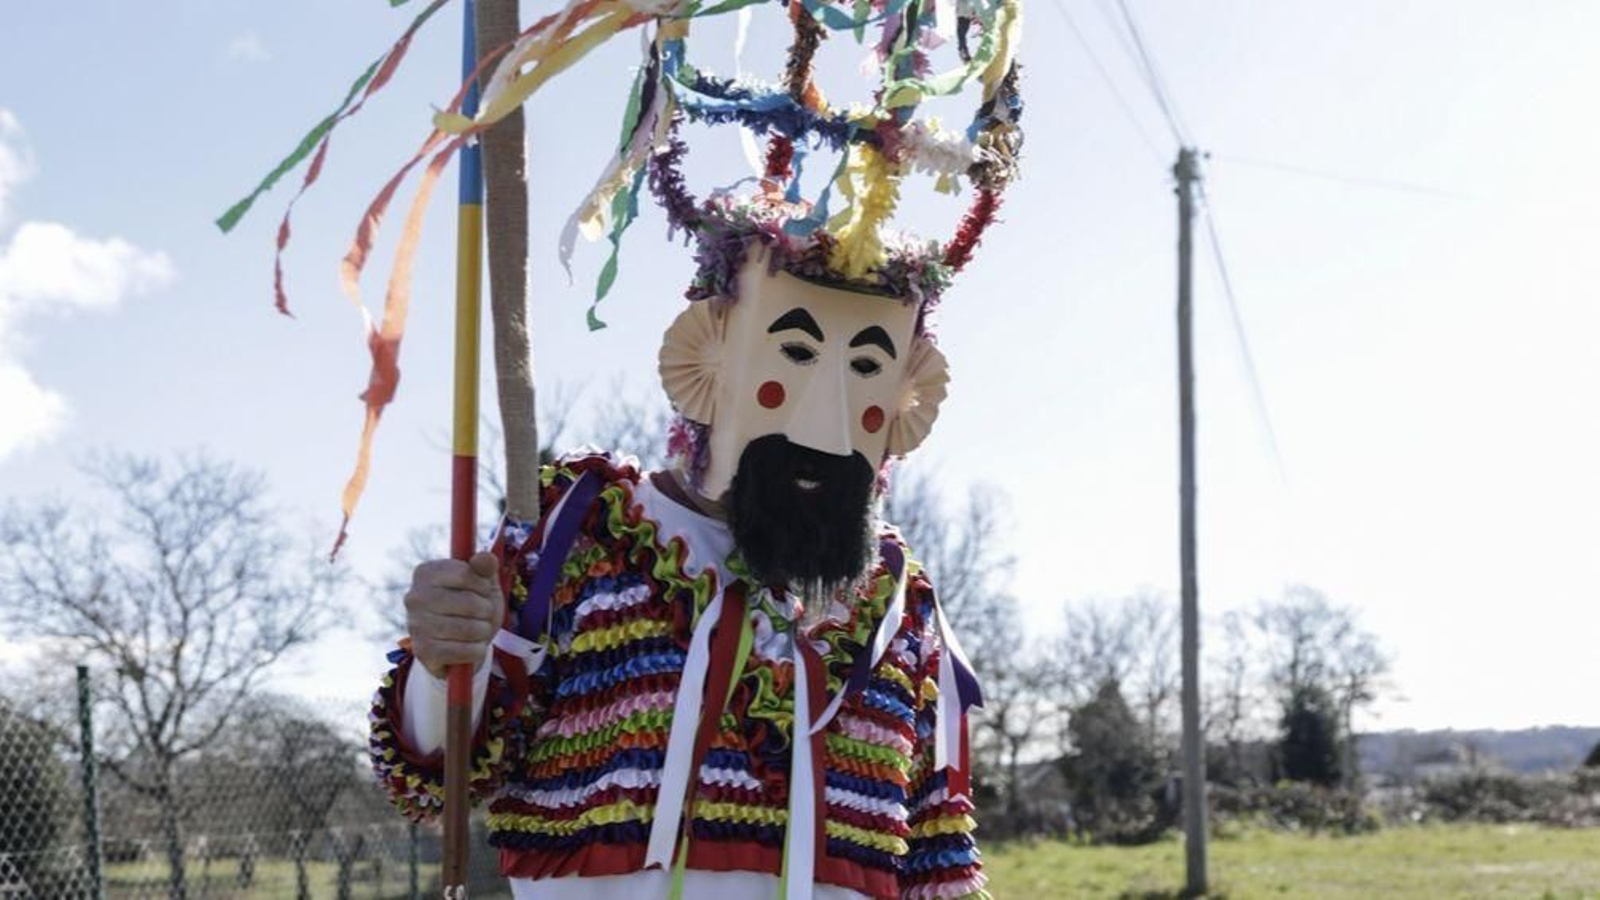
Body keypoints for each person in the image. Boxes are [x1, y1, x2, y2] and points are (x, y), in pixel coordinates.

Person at [370, 247, 989, 899]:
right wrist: (442, 663)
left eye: (866, 368)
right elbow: (441, 775)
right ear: (705, 355)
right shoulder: (580, 527)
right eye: (796, 353)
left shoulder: (899, 602)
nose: (826, 416)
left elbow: (937, 856)